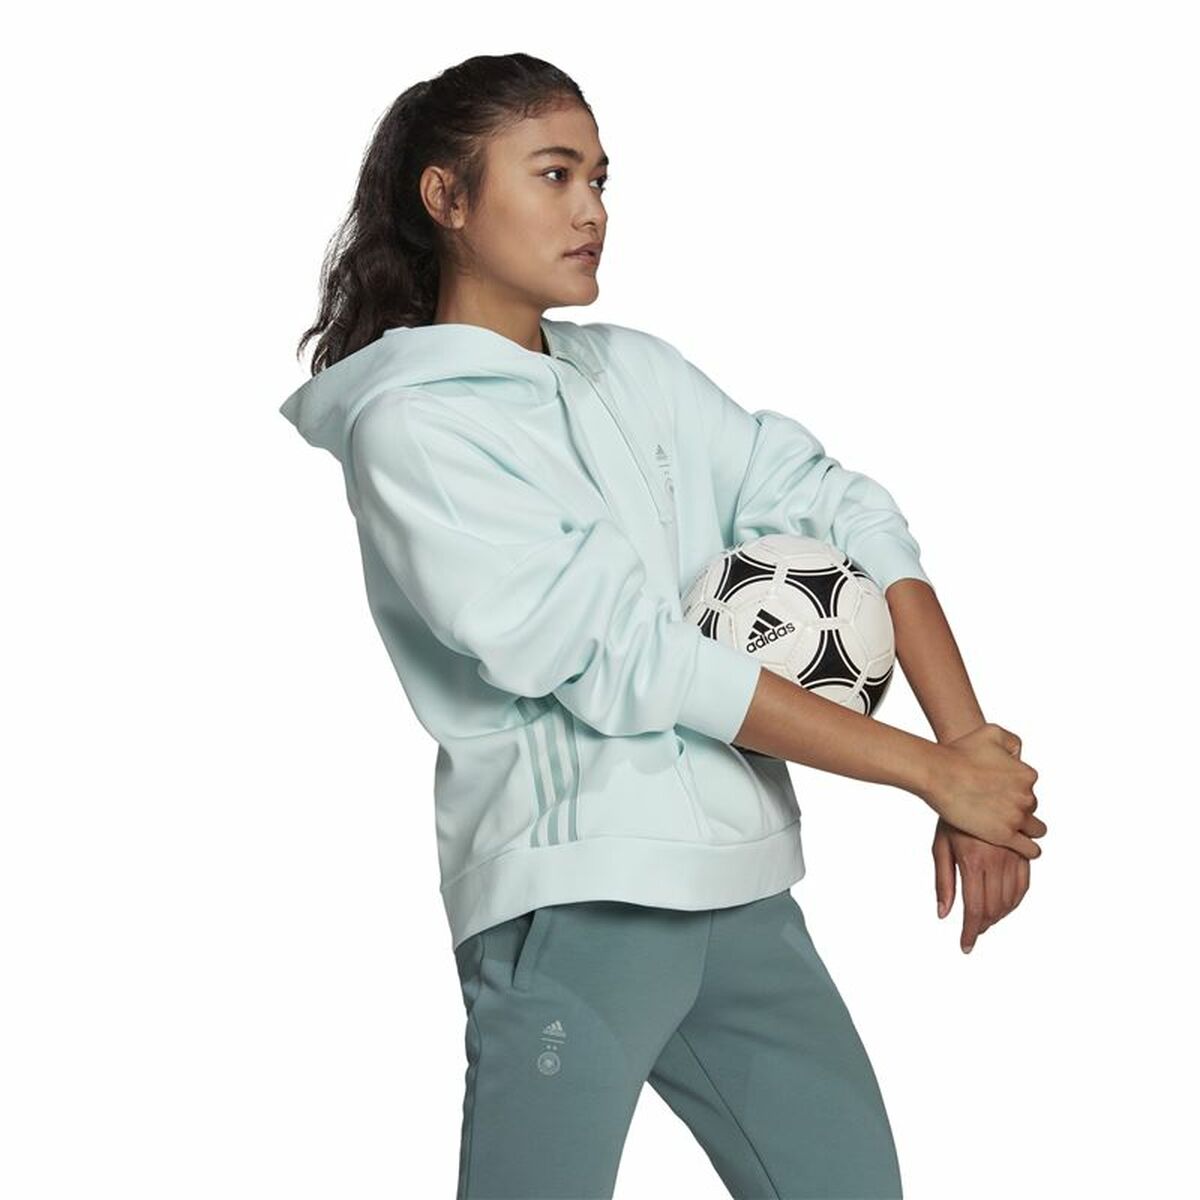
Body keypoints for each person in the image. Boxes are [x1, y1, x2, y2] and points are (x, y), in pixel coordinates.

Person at [280, 52, 1046, 1200]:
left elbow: (843, 505)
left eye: (599, 178)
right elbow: (623, 656)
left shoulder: (634, 375)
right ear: (447, 198)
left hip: (744, 899)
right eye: (553, 174)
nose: (591, 209)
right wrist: (930, 774)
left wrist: (969, 750)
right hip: (577, 903)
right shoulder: (416, 430)